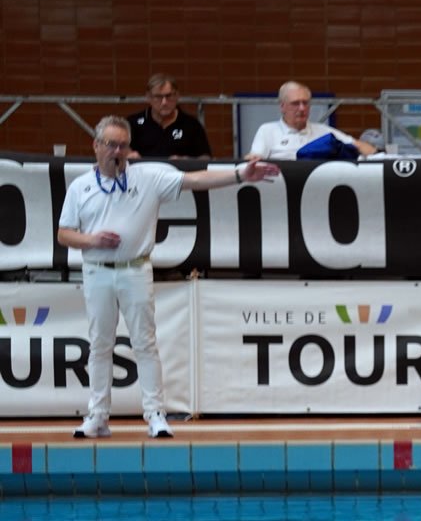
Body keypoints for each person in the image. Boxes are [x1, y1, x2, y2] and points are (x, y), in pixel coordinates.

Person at [60, 116, 280, 439]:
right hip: (97, 272)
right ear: (96, 146)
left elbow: (195, 180)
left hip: (135, 268)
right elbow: (64, 234)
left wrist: (238, 175)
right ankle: (98, 415)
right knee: (100, 345)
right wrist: (91, 240)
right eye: (110, 145)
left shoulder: (148, 177)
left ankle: (155, 414)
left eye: (123, 145)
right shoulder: (81, 187)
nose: (117, 152)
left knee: (145, 344)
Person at [244, 81, 376, 161]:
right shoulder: (267, 131)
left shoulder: (324, 131)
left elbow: (360, 146)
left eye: (305, 103)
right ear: (282, 106)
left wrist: (377, 155)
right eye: (295, 103)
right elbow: (255, 157)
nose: (302, 108)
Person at [127, 74, 211, 160]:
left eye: (169, 96)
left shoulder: (191, 125)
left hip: (180, 172)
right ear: (148, 97)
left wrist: (186, 160)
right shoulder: (132, 123)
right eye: (158, 97)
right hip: (142, 172)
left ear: (177, 95)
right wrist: (127, 154)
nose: (164, 102)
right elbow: (117, 151)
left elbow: (206, 158)